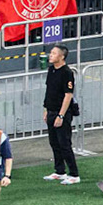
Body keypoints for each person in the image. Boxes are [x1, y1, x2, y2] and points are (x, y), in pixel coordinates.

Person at [44, 46, 80, 184]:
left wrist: (61, 115)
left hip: (62, 113)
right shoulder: (51, 70)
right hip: (51, 110)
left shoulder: (67, 73)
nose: (50, 55)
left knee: (64, 143)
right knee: (54, 143)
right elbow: (49, 91)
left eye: (54, 53)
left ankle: (74, 174)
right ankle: (60, 171)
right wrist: (46, 109)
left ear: (62, 56)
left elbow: (68, 95)